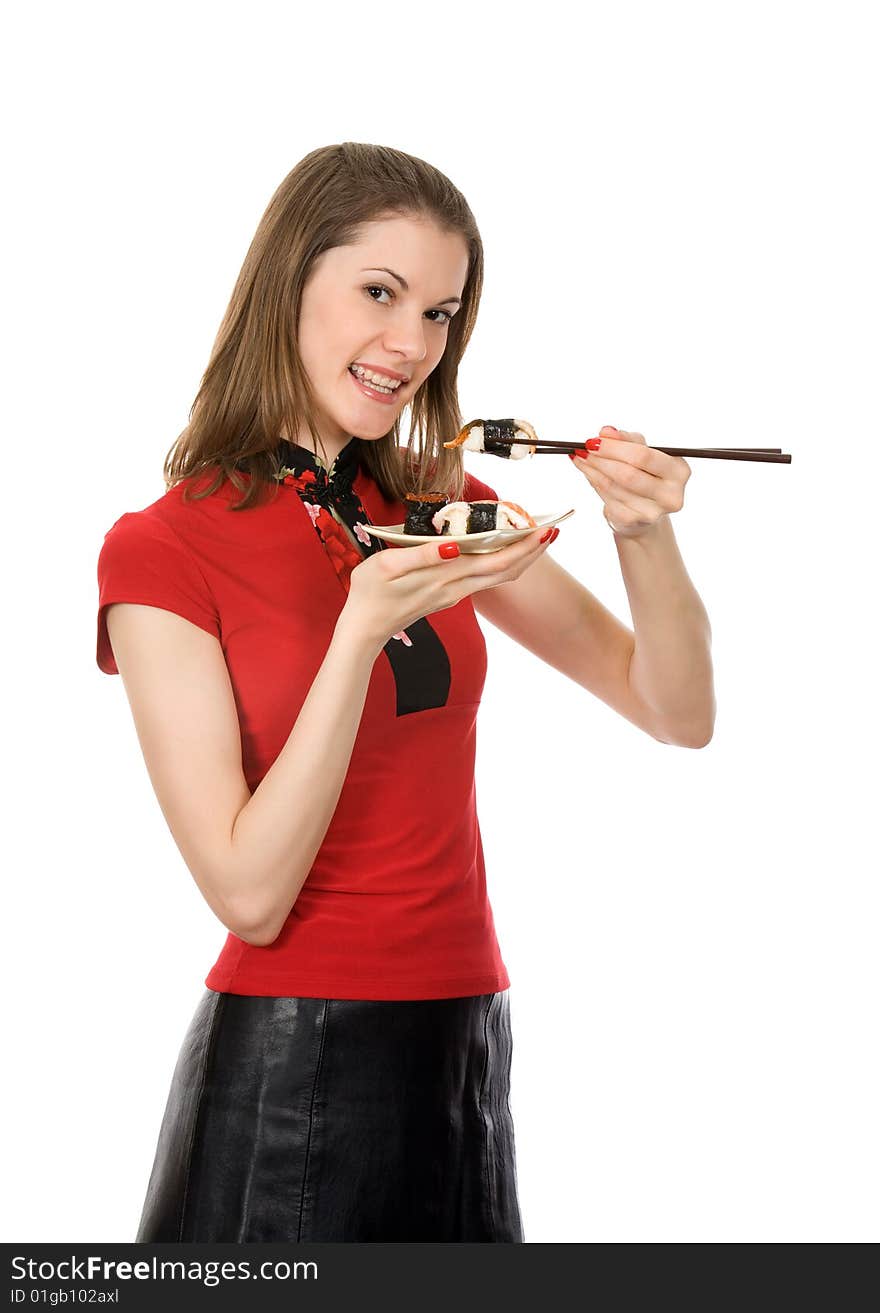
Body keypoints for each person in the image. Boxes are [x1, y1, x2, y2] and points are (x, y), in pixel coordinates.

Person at [95, 142, 715, 1244]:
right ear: (288, 281)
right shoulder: (164, 549)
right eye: (378, 293)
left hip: (464, 1038)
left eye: (440, 312)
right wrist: (358, 632)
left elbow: (672, 709)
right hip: (296, 1061)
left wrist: (641, 532)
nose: (410, 344)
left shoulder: (435, 499)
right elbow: (247, 893)